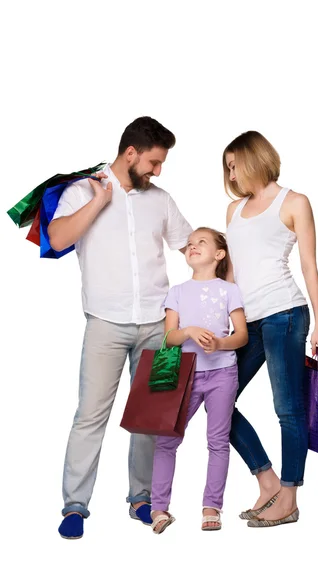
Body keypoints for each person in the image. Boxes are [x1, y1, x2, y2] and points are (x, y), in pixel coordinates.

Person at [47, 116, 193, 539]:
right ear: (130, 153)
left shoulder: (160, 199)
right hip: (105, 325)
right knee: (90, 416)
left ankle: (142, 499)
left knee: (153, 416)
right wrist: (98, 202)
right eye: (153, 161)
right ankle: (75, 505)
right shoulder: (81, 191)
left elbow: (190, 244)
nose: (157, 171)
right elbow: (58, 240)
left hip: (160, 327)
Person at [224, 131, 318, 527]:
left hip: (286, 313)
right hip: (246, 321)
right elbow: (231, 273)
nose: (232, 175)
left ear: (255, 158)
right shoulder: (233, 210)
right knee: (219, 401)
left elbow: (309, 266)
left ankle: (289, 497)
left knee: (288, 409)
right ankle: (267, 481)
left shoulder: (294, 202)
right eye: (228, 168)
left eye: (236, 165)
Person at [150, 227, 248, 534]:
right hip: (184, 374)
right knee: (167, 441)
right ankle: (159, 508)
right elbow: (168, 337)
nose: (192, 246)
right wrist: (190, 331)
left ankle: (211, 507)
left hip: (223, 374)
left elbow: (242, 336)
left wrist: (220, 344)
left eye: (201, 242)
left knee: (218, 441)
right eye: (190, 243)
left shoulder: (230, 290)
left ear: (219, 255)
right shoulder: (177, 292)